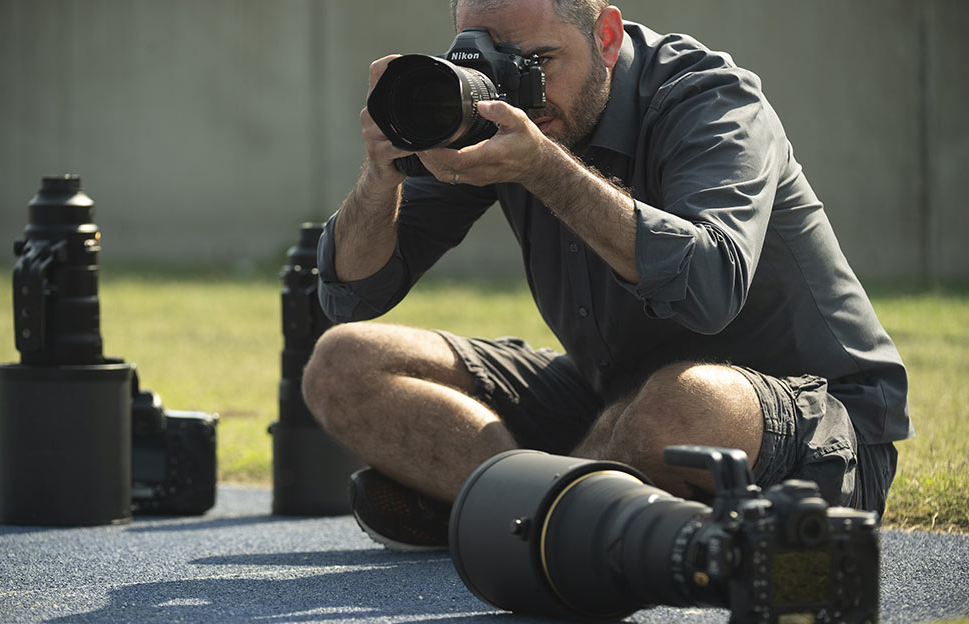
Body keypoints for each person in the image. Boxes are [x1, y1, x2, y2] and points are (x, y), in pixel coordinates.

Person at [302, 0, 913, 551]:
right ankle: (549, 516)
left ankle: (511, 509)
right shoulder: (497, 113)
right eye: (497, 62)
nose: (526, 92)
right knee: (343, 364)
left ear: (608, 37)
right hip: (610, 399)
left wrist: (545, 169)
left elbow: (710, 290)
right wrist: (382, 173)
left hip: (808, 423)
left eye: (540, 59)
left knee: (680, 408)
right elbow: (352, 294)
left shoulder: (710, 99)